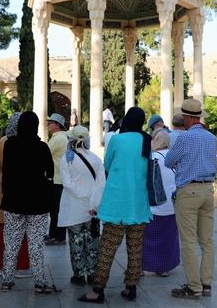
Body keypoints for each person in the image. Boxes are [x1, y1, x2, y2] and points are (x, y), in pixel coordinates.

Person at [79, 106, 152, 303]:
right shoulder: (146, 140)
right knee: (135, 249)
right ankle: (130, 288)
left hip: (117, 204)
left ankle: (97, 290)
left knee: (108, 248)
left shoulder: (117, 139)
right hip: (138, 205)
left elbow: (107, 165)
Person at [0, 111, 59, 293]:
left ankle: (7, 280)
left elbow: (6, 169)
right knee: (35, 243)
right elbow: (50, 172)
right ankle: (40, 282)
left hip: (13, 201)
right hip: (37, 202)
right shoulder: (41, 147)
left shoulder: (9, 145)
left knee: (11, 242)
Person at [165, 99, 217, 299]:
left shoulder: (185, 138)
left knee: (188, 242)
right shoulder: (211, 137)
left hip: (188, 191)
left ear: (187, 118)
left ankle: (194, 287)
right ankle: (206, 284)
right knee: (207, 241)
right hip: (207, 190)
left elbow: (169, 160)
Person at [58, 125, 106, 287]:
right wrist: (92, 201)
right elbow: (101, 185)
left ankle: (79, 275)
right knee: (93, 243)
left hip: (73, 208)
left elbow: (67, 184)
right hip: (92, 209)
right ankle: (92, 274)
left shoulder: (66, 159)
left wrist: (82, 194)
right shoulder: (96, 159)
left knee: (76, 242)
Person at [0, 112, 31, 277]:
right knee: (22, 230)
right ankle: (21, 267)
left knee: (5, 230)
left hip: (5, 193)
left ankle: (1, 266)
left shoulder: (2, 142)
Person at [142, 130, 179, 278]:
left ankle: (143, 267)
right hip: (173, 205)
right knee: (168, 239)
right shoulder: (174, 156)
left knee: (148, 239)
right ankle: (164, 268)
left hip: (154, 205)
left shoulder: (152, 157)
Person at [45, 113, 68, 246]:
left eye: (51, 122)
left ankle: (58, 237)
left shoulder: (58, 138)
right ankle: (54, 234)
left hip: (57, 178)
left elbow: (45, 153)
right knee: (56, 209)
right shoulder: (60, 136)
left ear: (57, 125)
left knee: (56, 209)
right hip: (59, 178)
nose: (48, 124)